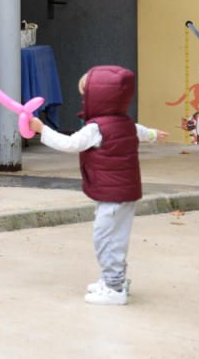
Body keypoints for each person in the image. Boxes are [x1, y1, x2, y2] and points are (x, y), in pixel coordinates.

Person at [27, 67, 167, 305]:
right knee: (116, 237)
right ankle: (115, 280)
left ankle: (114, 288)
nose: (84, 100)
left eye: (86, 95)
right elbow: (142, 132)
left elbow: (71, 143)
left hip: (113, 195)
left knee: (105, 238)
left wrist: (42, 130)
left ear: (101, 98)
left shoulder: (97, 128)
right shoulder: (124, 123)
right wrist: (153, 134)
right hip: (124, 193)